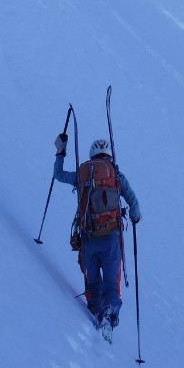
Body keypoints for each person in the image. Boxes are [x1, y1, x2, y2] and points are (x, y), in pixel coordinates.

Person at [54, 134, 141, 334]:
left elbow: (58, 175)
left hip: (88, 239)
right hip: (111, 238)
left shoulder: (82, 174)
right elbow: (134, 205)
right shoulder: (116, 175)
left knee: (92, 283)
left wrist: (61, 151)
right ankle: (109, 314)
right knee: (112, 284)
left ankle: (95, 309)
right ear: (109, 155)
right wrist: (135, 218)